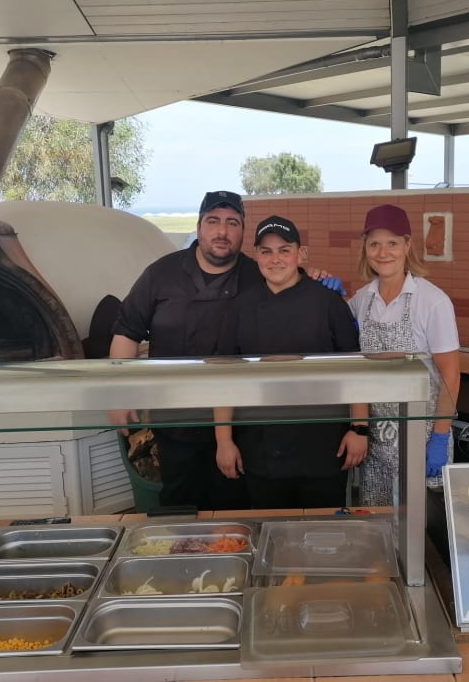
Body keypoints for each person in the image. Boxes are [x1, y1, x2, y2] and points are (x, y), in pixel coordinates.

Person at [109, 191, 343, 511]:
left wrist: (315, 276)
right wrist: (119, 393)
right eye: (213, 221)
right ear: (199, 227)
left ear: (243, 232)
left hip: (241, 425)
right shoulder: (160, 274)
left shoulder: (255, 273)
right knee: (178, 506)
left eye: (232, 223)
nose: (222, 231)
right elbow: (127, 330)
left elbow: (290, 280)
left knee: (234, 509)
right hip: (176, 418)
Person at [213, 215, 368, 509]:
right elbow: (224, 376)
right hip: (259, 447)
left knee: (324, 530)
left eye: (284, 250)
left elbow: (355, 368)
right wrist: (223, 440)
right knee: (270, 529)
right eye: (266, 251)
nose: (275, 259)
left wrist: (359, 429)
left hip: (324, 446)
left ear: (301, 254)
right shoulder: (240, 307)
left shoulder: (328, 302)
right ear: (257, 256)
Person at [348, 203, 461, 507]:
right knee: (378, 524)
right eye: (374, 244)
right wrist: (318, 285)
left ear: (408, 245)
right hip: (376, 443)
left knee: (421, 527)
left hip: (422, 438)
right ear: (365, 249)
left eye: (392, 243)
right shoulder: (362, 299)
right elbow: (336, 332)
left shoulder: (433, 301)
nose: (383, 252)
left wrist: (440, 437)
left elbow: (450, 376)